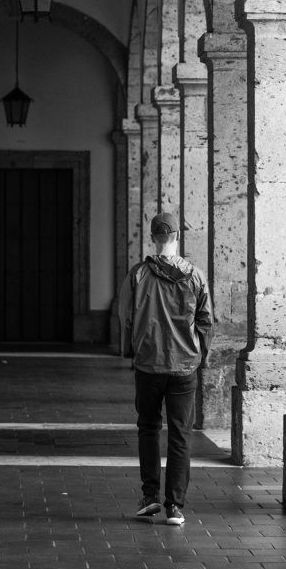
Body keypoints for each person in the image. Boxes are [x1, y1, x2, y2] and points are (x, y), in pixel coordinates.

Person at [119, 211, 212, 525]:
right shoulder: (195, 276)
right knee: (180, 433)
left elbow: (126, 317)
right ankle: (175, 506)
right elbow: (206, 322)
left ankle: (150, 497)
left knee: (148, 428)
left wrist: (130, 351)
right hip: (184, 366)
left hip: (149, 364)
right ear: (177, 237)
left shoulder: (137, 274)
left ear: (152, 237)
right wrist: (199, 355)